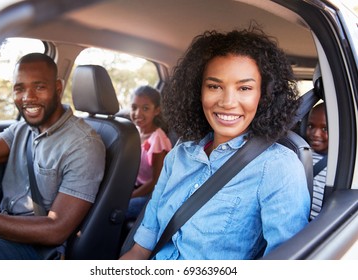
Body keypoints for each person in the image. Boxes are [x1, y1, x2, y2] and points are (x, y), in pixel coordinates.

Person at [120, 26, 310, 260]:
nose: (228, 102)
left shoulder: (277, 167)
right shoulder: (180, 153)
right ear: (197, 92)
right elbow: (141, 248)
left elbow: (285, 262)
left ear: (264, 95)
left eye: (245, 88)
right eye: (214, 86)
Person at [0, 53, 105, 259]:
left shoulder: (84, 144)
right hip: (3, 228)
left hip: (37, 248)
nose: (28, 97)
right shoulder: (22, 129)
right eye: (20, 88)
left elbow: (56, 229)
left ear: (58, 88)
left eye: (39, 87)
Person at [126, 86, 172, 219]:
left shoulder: (158, 139)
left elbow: (155, 181)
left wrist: (129, 196)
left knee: (117, 208)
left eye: (145, 108)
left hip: (150, 195)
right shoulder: (132, 132)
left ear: (156, 110)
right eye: (134, 107)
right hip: (134, 188)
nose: (138, 113)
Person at [306, 102, 328, 220]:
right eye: (310, 126)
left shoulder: (342, 165)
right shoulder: (301, 153)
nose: (315, 134)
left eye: (324, 129)